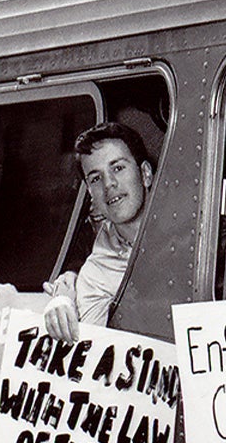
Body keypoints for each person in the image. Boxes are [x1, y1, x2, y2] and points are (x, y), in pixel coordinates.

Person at [42, 118, 159, 338]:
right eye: (96, 178)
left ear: (145, 174)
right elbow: (93, 346)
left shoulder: (196, 225)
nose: (109, 184)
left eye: (118, 168)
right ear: (90, 193)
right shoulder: (95, 273)